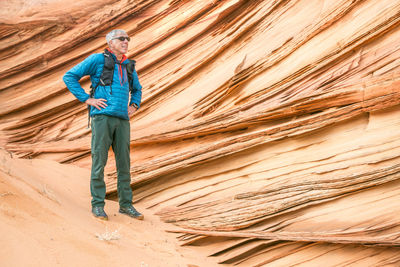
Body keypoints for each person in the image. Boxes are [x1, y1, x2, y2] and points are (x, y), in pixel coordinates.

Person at [63, 29, 143, 220]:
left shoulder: (128, 65)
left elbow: (137, 89)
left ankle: (126, 205)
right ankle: (97, 205)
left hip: (122, 120)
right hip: (102, 117)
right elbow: (69, 76)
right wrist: (87, 99)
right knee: (99, 160)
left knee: (124, 163)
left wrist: (134, 105)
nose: (126, 41)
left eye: (128, 39)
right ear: (110, 43)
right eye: (121, 39)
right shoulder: (97, 60)